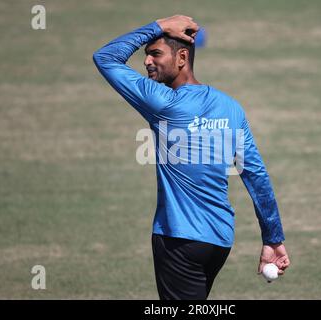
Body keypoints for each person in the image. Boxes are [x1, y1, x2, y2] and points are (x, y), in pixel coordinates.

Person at [93, 15, 290, 300]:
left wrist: (158, 26)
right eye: (146, 55)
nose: (147, 61)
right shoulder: (230, 108)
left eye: (155, 54)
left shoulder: (163, 103)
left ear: (182, 57)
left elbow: (106, 58)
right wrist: (273, 237)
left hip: (179, 240)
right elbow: (256, 175)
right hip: (219, 241)